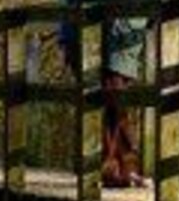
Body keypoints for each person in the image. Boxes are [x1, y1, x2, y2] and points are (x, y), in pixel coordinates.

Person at [62, 0, 149, 188]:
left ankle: (117, 167)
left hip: (117, 34)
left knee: (113, 102)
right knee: (107, 101)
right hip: (98, 33)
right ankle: (116, 167)